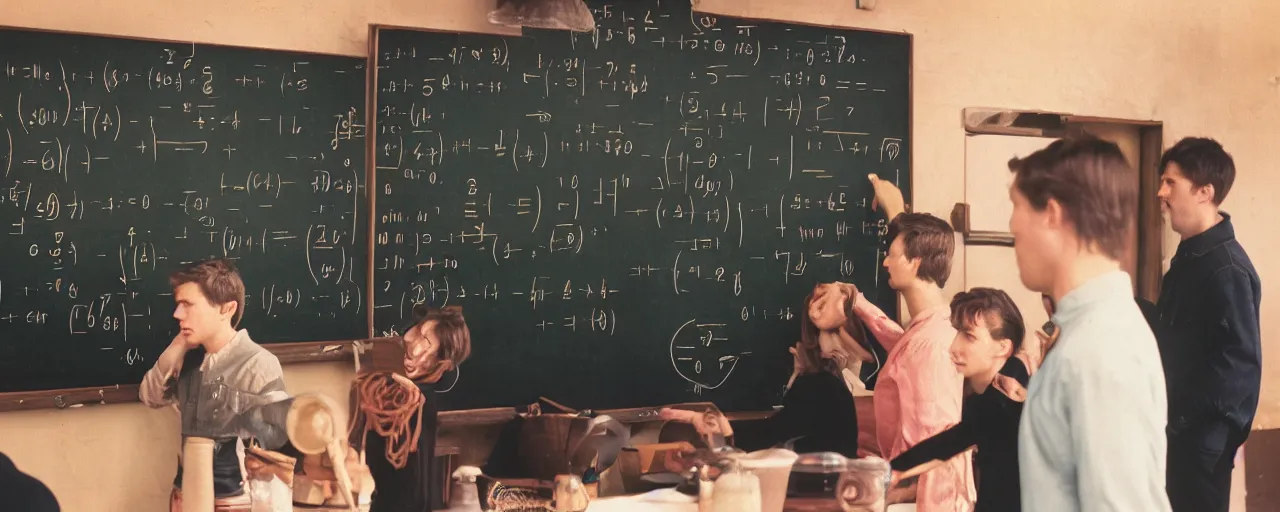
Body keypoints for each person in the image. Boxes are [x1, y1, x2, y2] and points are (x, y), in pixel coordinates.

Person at [1007, 135, 1170, 511]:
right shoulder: (1085, 331)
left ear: (1052, 213)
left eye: (1015, 207)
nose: (1012, 226)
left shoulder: (1101, 348)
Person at [849, 174, 975, 512]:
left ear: (915, 261)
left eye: (891, 254)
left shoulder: (932, 347)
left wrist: (891, 494)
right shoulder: (933, 328)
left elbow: (935, 447)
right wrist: (856, 302)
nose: (885, 262)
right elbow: (905, 347)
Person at [1152, 137, 1261, 512]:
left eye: (1171, 183)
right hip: (1176, 435)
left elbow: (1235, 370)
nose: (1160, 192)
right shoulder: (1191, 256)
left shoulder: (1227, 268)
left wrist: (1182, 422)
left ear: (1204, 192)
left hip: (1198, 444)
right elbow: (1176, 336)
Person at [661, 282, 885, 459]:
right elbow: (784, 427)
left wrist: (719, 429)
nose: (830, 341)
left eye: (835, 330)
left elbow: (773, 432)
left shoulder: (826, 384)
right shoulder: (830, 384)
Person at [139, 258, 289, 512]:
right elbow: (151, 396)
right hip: (186, 495)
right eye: (178, 305)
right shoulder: (188, 358)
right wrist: (179, 344)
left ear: (226, 309)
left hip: (231, 501)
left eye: (188, 305)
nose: (177, 314)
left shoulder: (258, 363)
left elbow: (278, 449)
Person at [890, 288, 1030, 512]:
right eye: (957, 333)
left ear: (1003, 347)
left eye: (970, 336)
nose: (954, 347)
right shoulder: (990, 399)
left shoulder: (1007, 404)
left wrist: (893, 470)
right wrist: (894, 470)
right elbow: (953, 441)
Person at [349, 304, 472, 512]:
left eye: (426, 345)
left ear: (441, 363)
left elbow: (409, 490)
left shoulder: (415, 401)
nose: (411, 344)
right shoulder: (389, 388)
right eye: (416, 331)